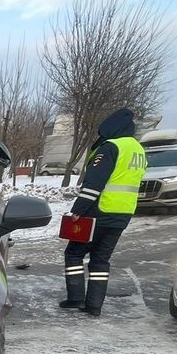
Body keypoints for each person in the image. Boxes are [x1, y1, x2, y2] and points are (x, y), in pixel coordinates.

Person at [60, 108, 147, 316]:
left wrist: (77, 211)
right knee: (100, 259)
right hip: (122, 214)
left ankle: (76, 298)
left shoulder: (110, 147)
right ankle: (94, 306)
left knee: (74, 253)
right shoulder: (137, 149)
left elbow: (94, 184)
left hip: (99, 211)